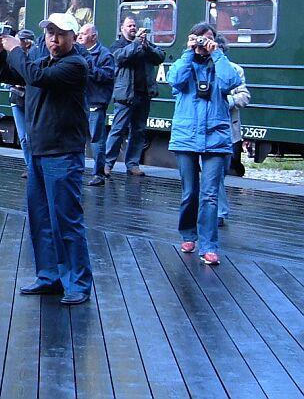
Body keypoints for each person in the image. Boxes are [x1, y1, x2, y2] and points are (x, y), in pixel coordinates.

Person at [0, 12, 93, 305]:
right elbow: (8, 75)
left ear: (73, 37)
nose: (54, 39)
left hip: (62, 152)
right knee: (41, 219)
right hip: (40, 151)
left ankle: (78, 283)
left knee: (66, 220)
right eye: (50, 33)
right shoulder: (44, 62)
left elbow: (34, 76)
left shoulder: (75, 64)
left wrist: (14, 49)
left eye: (61, 34)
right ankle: (50, 277)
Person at [167, 23, 240, 266]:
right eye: (198, 38)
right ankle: (188, 234)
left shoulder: (222, 63)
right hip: (186, 136)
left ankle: (209, 246)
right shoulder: (185, 63)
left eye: (207, 38)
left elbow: (231, 82)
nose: (202, 43)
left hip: (216, 136)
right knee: (190, 192)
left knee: (210, 195)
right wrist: (189, 52)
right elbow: (174, 80)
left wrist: (216, 53)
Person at [103, 16, 166, 177]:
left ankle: (132, 164)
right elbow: (120, 57)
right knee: (118, 130)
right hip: (125, 95)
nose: (133, 28)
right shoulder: (118, 45)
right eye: (129, 25)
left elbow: (160, 56)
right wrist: (137, 43)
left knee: (138, 131)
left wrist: (147, 46)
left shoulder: (145, 44)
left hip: (144, 94)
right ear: (122, 29)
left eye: (134, 25)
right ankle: (107, 164)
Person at [214, 35, 250, 227]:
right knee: (214, 172)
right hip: (209, 129)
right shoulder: (203, 69)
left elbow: (245, 97)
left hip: (229, 131)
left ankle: (218, 209)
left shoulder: (235, 70)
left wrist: (227, 101)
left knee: (222, 171)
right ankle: (219, 211)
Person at [77, 24, 115, 186]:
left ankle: (99, 174)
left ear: (93, 37)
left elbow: (107, 76)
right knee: (77, 137)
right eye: (79, 33)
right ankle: (77, 169)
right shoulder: (77, 52)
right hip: (79, 101)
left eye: (83, 34)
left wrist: (89, 65)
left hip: (95, 102)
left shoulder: (105, 54)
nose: (79, 36)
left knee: (96, 138)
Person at [9, 29, 35, 169]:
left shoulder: (34, 56)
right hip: (16, 97)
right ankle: (29, 166)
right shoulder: (13, 56)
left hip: (30, 99)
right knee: (23, 137)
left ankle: (33, 166)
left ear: (26, 42)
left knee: (31, 136)